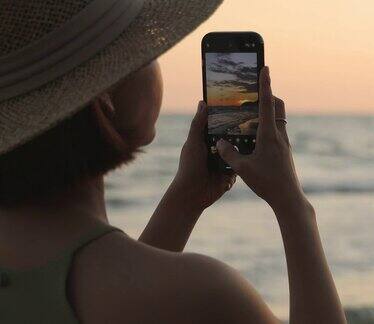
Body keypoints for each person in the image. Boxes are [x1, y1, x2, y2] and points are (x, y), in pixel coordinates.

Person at [0, 1, 346, 323]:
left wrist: (184, 201)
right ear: (104, 95)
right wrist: (294, 207)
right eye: (141, 51)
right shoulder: (204, 294)